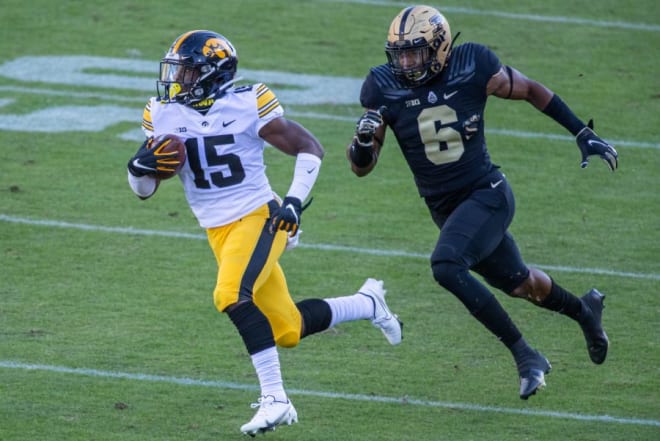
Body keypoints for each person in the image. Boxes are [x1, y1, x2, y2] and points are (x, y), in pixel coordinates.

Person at [125, 30, 403, 435]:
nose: (178, 79)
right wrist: (137, 168)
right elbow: (145, 191)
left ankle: (276, 398)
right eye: (177, 70)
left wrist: (293, 200)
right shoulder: (161, 112)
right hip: (218, 231)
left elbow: (310, 147)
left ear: (211, 74)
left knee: (230, 294)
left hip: (260, 216)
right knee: (286, 330)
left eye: (187, 71)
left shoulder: (246, 102)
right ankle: (368, 302)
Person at [347, 6, 617, 400]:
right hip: (446, 209)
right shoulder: (382, 86)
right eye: (399, 54)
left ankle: (526, 356)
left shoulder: (472, 64)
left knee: (445, 265)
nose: (405, 63)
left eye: (414, 53)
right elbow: (361, 169)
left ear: (439, 47)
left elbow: (529, 89)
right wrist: (363, 141)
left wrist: (580, 130)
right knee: (521, 284)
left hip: (487, 193)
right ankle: (584, 311)